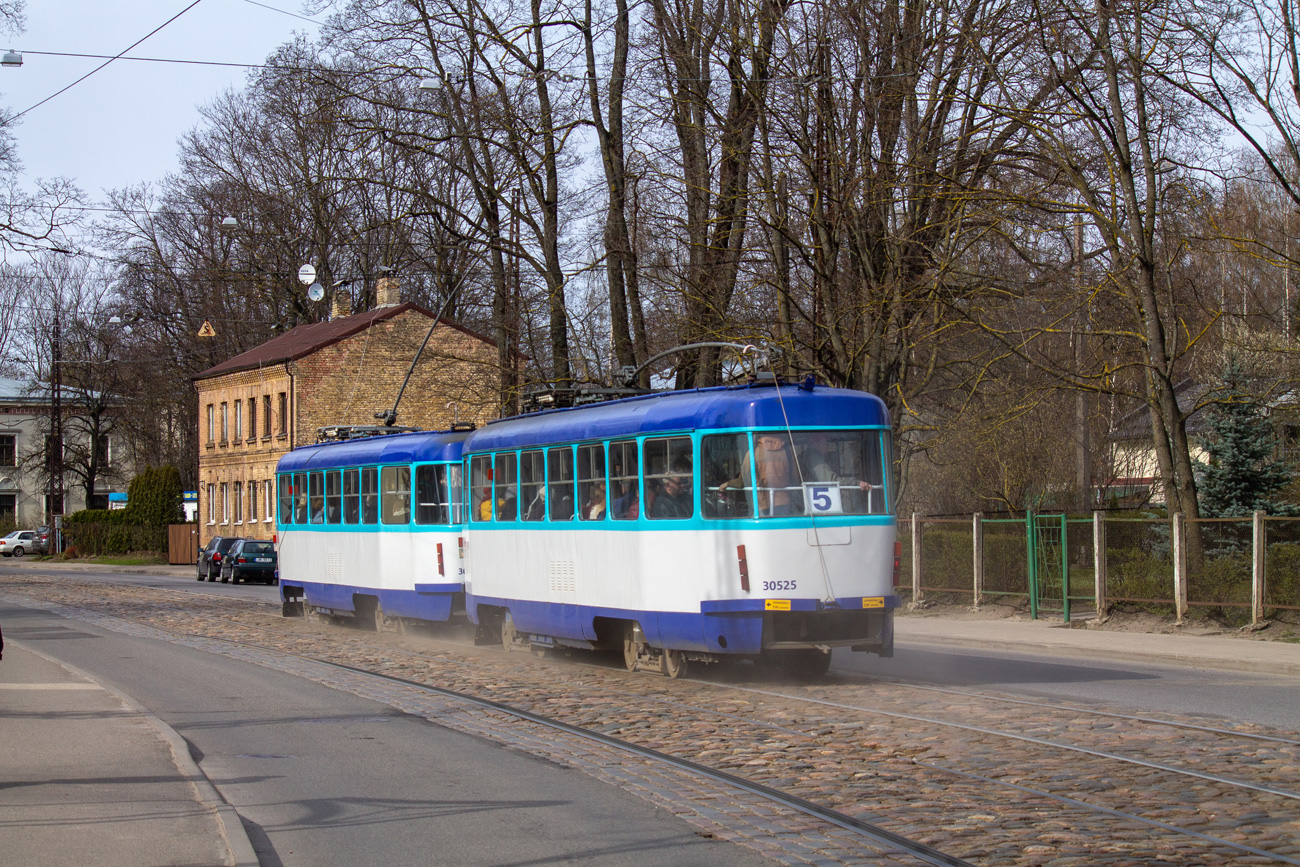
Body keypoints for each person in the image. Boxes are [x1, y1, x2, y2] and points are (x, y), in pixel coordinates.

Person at [719, 433, 797, 516]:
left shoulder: (753, 452)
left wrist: (727, 484)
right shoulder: (787, 452)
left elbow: (743, 481)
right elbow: (795, 477)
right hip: (784, 501)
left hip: (762, 503)